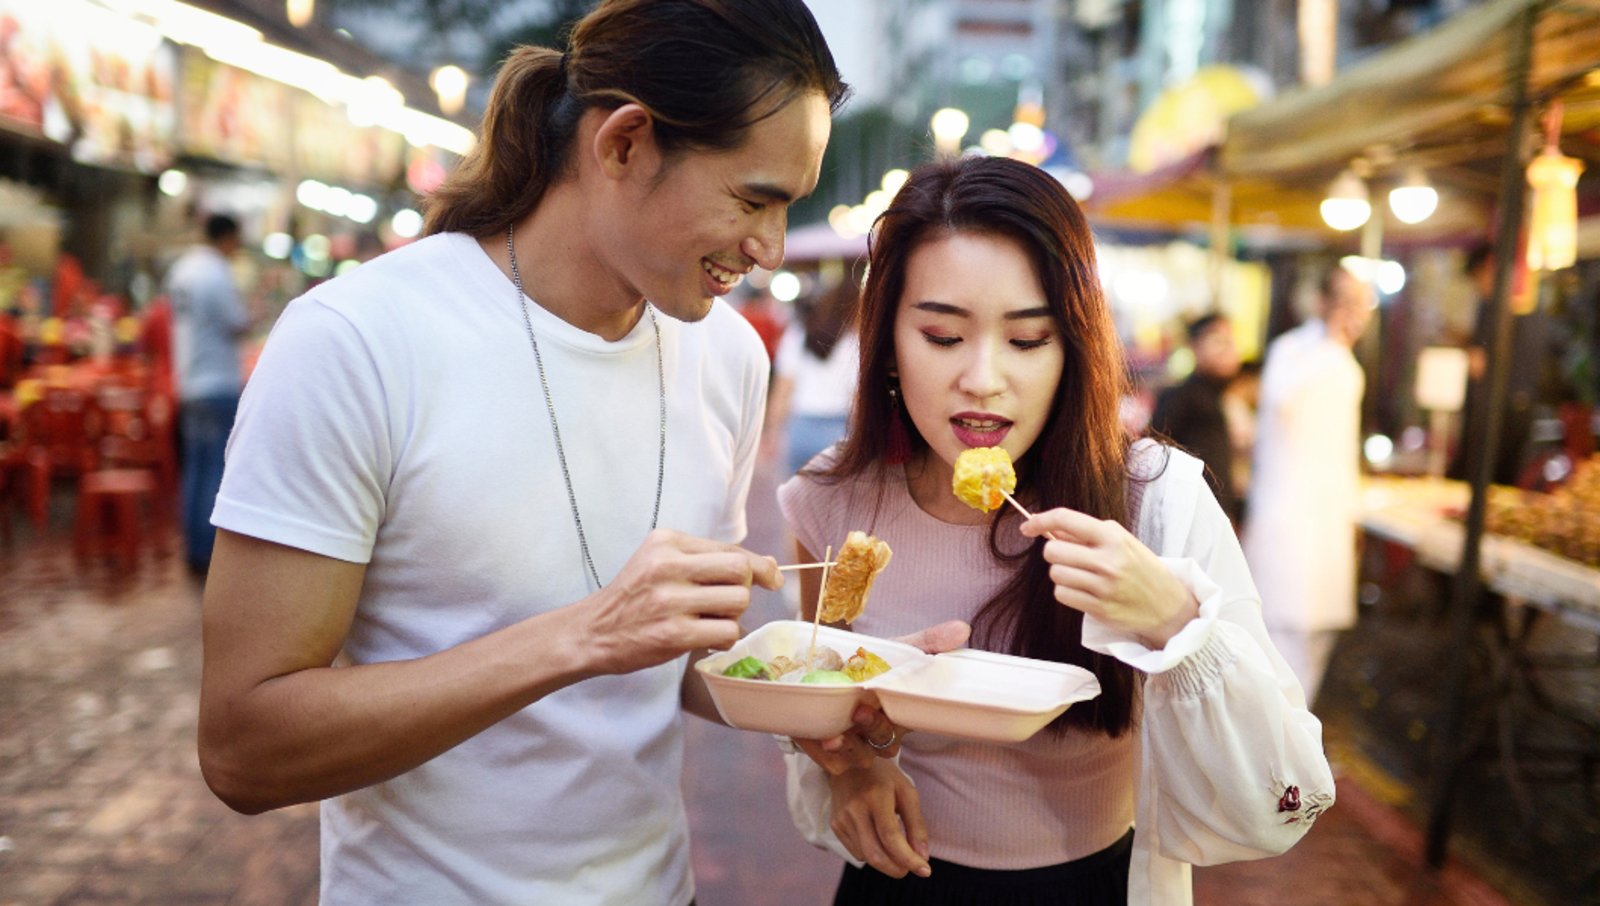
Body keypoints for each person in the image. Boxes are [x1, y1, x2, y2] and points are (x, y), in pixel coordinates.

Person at [195, 3, 855, 903]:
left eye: (789, 208)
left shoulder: (730, 356)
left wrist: (837, 689)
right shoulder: (357, 341)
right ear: (624, 143)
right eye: (753, 199)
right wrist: (584, 635)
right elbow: (244, 747)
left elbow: (677, 652)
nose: (770, 247)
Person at [777, 157, 1334, 906]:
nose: (983, 377)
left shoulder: (1154, 500)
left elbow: (1284, 797)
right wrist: (851, 767)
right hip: (894, 886)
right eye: (942, 336)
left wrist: (1171, 620)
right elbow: (816, 693)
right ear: (888, 344)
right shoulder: (832, 502)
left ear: (1074, 347)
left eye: (1029, 340)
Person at [1242, 266, 1372, 705]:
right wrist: (1331, 347)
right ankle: (1274, 741)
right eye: (1345, 300)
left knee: (1320, 633)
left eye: (1361, 302)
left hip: (1330, 515)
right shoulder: (1292, 351)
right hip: (1289, 512)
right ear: (1321, 303)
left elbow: (1344, 448)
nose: (1354, 312)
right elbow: (1282, 402)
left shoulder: (1349, 364)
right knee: (1282, 630)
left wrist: (1352, 515)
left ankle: (1296, 732)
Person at [166, 212, 250, 574]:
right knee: (216, 467)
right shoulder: (216, 272)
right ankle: (207, 551)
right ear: (228, 237)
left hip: (188, 380)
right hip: (217, 381)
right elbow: (236, 323)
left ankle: (192, 545)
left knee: (195, 469)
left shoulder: (182, 269)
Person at [1147, 313, 1242, 521]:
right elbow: (1151, 456)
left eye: (1232, 341)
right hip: (1186, 521)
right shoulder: (1180, 397)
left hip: (1213, 520)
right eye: (1219, 341)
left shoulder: (1218, 398)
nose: (1230, 350)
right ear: (1194, 346)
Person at [765, 275, 862, 474]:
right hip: (838, 430)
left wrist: (771, 432)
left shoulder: (798, 334)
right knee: (835, 502)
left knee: (793, 501)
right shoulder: (855, 342)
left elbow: (783, 389)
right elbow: (857, 398)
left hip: (799, 428)